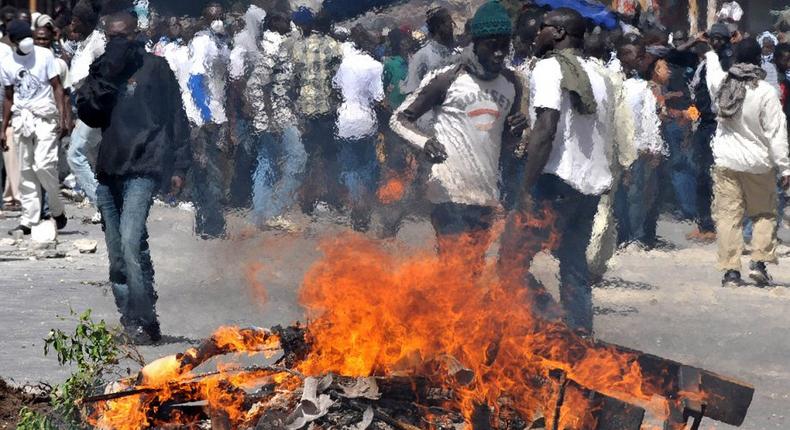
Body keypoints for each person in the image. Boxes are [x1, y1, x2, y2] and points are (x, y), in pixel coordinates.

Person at [75, 11, 190, 343]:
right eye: (111, 38)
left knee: (130, 240)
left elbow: (176, 119)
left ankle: (144, 315)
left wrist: (180, 168)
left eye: (122, 38)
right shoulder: (102, 71)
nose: (117, 44)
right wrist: (106, 77)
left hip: (143, 166)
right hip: (109, 167)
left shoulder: (155, 69)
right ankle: (131, 317)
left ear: (136, 35)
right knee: (117, 251)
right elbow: (90, 114)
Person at [499, 8, 613, 336]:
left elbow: (546, 129)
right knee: (574, 263)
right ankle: (580, 336)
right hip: (590, 186)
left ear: (559, 33)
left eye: (544, 28)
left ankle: (548, 321)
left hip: (556, 182)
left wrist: (525, 187)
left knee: (511, 256)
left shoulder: (549, 68)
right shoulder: (597, 72)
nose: (537, 34)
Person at [392, 0, 526, 275]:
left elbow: (506, 145)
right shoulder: (446, 78)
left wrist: (517, 130)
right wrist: (425, 143)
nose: (500, 52)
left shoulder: (514, 84)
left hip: (486, 196)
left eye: (505, 44)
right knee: (454, 270)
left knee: (474, 269)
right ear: (475, 42)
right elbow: (399, 119)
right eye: (492, 44)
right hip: (448, 192)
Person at [705, 37, 790, 288]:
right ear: (758, 60)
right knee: (763, 213)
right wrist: (785, 167)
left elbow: (712, 72)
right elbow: (776, 133)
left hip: (726, 163)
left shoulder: (722, 85)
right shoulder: (766, 92)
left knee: (728, 217)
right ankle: (760, 264)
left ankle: (731, 272)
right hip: (758, 165)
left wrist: (711, 52)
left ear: (735, 58)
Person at [1, 20, 69, 236]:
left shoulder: (44, 55)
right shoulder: (6, 63)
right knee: (26, 170)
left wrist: (61, 116)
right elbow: (9, 98)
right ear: (12, 41)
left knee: (44, 164)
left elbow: (57, 87)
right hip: (22, 119)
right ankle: (28, 220)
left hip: (44, 116)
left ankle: (57, 210)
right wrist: (3, 128)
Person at [246, 10, 306, 230]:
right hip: (276, 117)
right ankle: (276, 210)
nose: (289, 23)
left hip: (271, 116)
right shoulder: (273, 45)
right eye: (284, 20)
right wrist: (269, 117)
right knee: (298, 158)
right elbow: (258, 84)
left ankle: (260, 215)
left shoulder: (275, 43)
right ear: (274, 24)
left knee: (267, 163)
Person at [291, 9, 344, 215]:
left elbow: (295, 79)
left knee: (309, 157)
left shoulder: (298, 46)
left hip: (306, 110)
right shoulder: (333, 45)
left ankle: (306, 201)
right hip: (327, 110)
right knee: (331, 157)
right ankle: (332, 198)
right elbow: (338, 79)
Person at [332, 26, 385, 231]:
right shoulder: (375, 66)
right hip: (365, 122)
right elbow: (379, 98)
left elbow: (336, 87)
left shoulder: (345, 63)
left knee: (350, 168)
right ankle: (365, 206)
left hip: (345, 121)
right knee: (369, 166)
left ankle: (356, 203)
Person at [187, 2, 231, 239]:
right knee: (208, 171)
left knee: (214, 172)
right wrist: (205, 115)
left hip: (219, 114)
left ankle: (208, 221)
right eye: (214, 17)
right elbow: (194, 81)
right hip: (204, 119)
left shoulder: (222, 43)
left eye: (221, 16)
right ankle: (211, 223)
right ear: (205, 19)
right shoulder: (202, 42)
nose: (218, 20)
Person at [66, 2, 105, 222]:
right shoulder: (83, 43)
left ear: (86, 21)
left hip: (95, 107)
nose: (72, 23)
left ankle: (101, 203)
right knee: (92, 157)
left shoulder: (98, 43)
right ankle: (105, 205)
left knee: (75, 155)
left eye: (75, 19)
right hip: (83, 106)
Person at [400, 6, 456, 95]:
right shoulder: (421, 56)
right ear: (438, 27)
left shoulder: (455, 51)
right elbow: (411, 92)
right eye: (448, 24)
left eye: (452, 24)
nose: (452, 28)